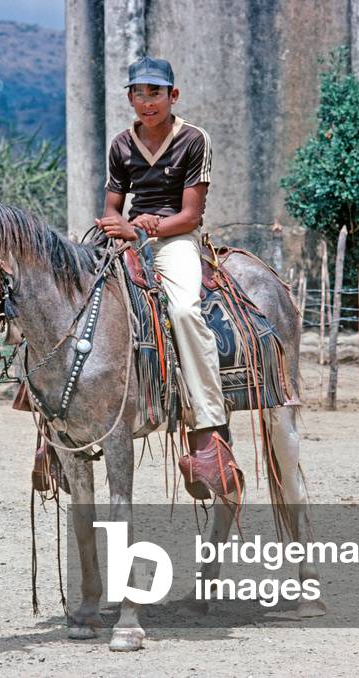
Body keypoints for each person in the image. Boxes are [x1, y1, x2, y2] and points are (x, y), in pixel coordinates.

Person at [95, 56, 241, 498]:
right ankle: (48, 416)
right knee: (78, 295)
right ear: (130, 98)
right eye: (138, 93)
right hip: (129, 237)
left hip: (174, 239)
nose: (146, 101)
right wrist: (112, 227)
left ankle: (210, 424)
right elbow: (111, 206)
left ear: (172, 96)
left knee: (181, 308)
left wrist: (138, 228)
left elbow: (190, 214)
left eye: (155, 92)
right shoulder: (122, 144)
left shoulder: (194, 140)